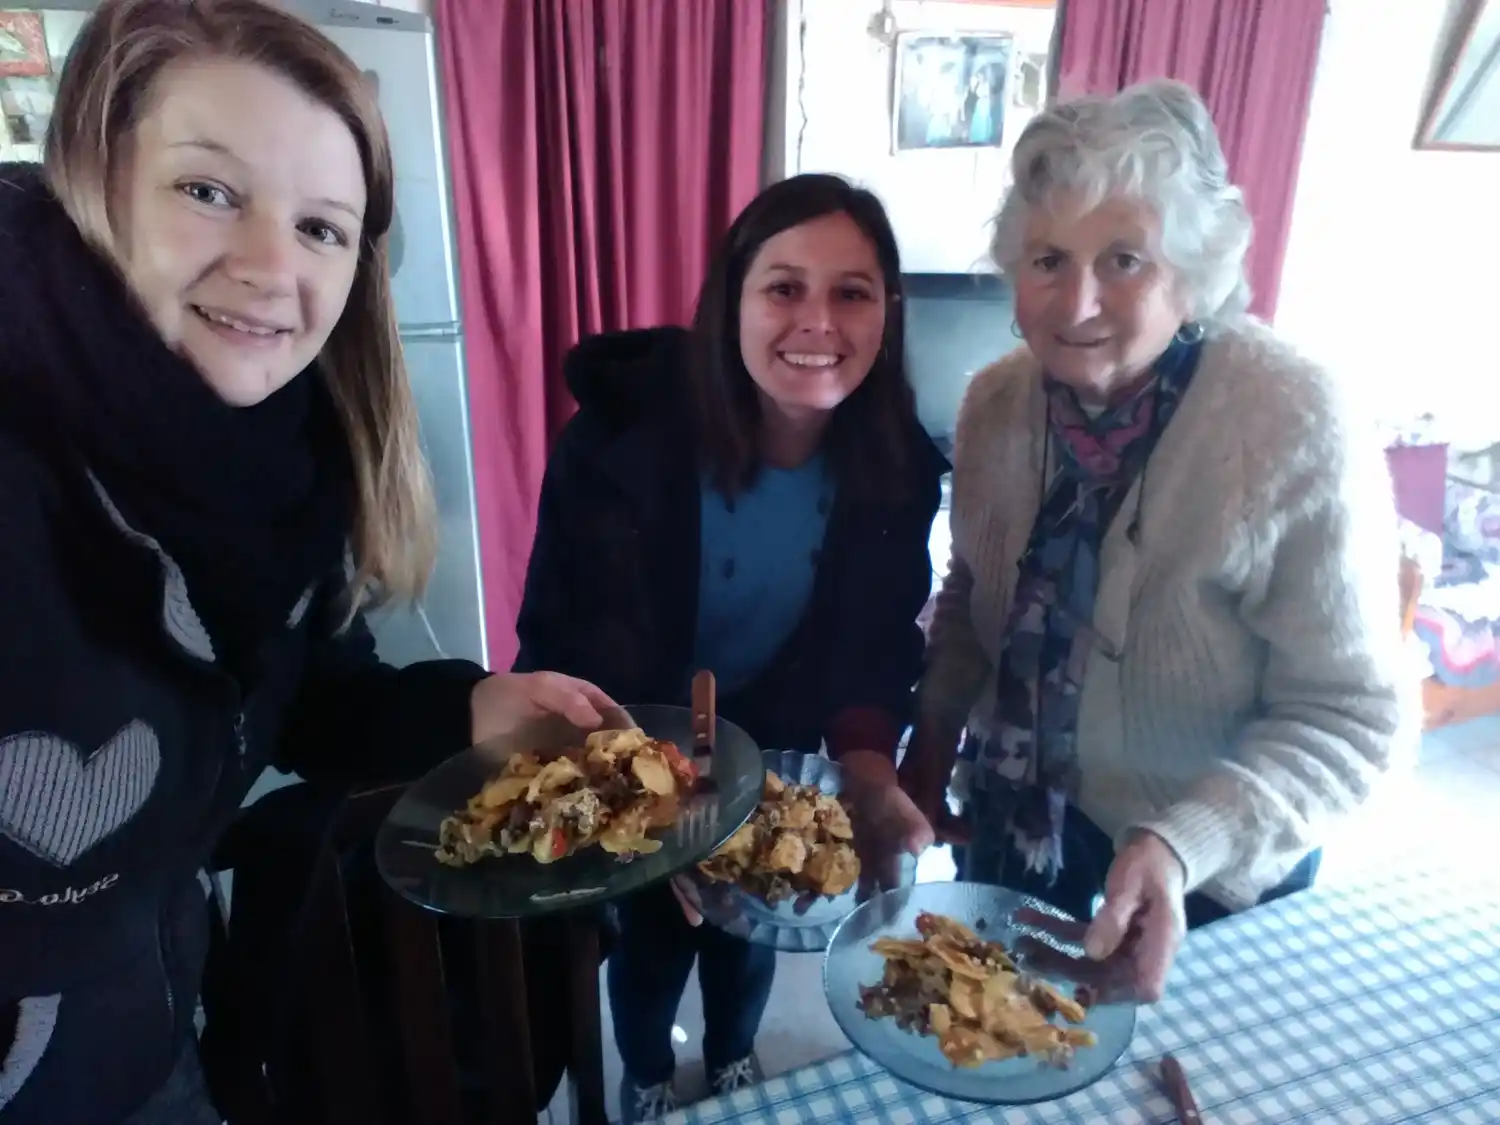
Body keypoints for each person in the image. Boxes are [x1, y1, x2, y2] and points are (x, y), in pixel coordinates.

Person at [0, 2, 614, 1123]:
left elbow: (313, 698)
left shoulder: (291, 465)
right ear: (96, 177)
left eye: (324, 227)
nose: (270, 266)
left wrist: (474, 707)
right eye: (208, 191)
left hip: (149, 1045)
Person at [900, 80, 1410, 1003]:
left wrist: (1185, 842)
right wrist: (928, 752)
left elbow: (1352, 717)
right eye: (1049, 257)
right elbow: (974, 604)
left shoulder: (1292, 421)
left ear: (1195, 271)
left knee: (1186, 1072)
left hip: (1214, 846)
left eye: (1125, 258)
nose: (1078, 300)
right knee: (1000, 1029)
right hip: (1022, 808)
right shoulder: (996, 403)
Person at [513, 173, 944, 1120]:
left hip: (771, 744)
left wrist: (871, 772)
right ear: (732, 303)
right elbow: (555, 635)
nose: (817, 320)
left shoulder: (898, 466)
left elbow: (876, 644)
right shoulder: (620, 443)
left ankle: (737, 1060)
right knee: (655, 934)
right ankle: (649, 1075)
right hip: (636, 741)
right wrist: (639, 794)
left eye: (851, 292)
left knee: (752, 930)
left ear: (888, 313)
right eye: (784, 287)